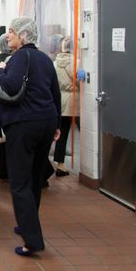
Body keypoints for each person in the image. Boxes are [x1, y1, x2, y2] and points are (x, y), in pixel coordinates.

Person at [0, 17, 61, 256]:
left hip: (24, 124)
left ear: (23, 35)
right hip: (46, 121)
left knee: (20, 182)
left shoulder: (19, 58)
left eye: (11, 31)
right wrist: (56, 124)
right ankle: (26, 224)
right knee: (33, 179)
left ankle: (32, 240)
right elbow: (54, 92)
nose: (7, 35)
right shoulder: (44, 58)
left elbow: (10, 87)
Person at [52, 36, 79, 176]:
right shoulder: (76, 63)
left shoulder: (55, 63)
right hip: (75, 101)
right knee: (83, 132)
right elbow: (81, 82)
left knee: (62, 133)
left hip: (61, 100)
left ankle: (60, 164)